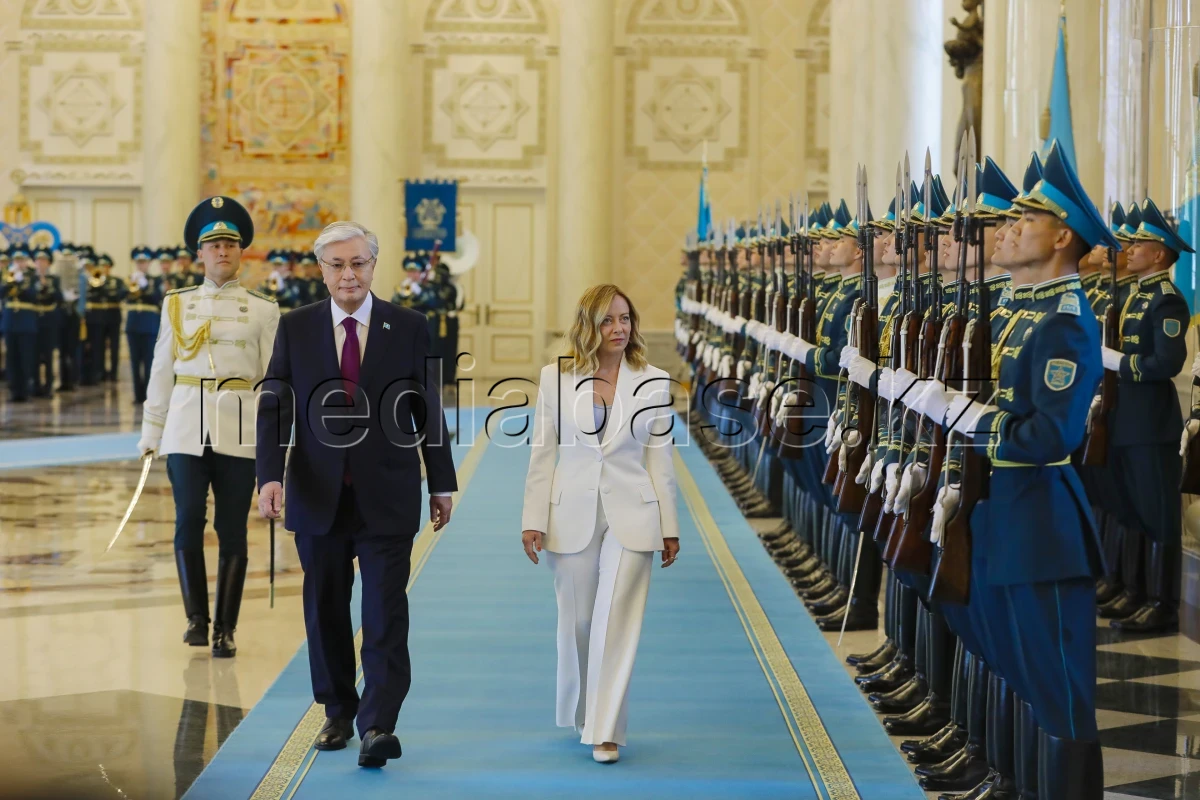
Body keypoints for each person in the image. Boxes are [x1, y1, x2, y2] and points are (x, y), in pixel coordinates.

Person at [256, 220, 458, 769]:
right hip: (316, 493)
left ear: (373, 265)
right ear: (321, 270)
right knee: (325, 609)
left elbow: (427, 408)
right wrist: (269, 475)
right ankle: (338, 711)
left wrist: (441, 481)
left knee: (385, 612)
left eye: (358, 263)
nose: (349, 274)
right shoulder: (296, 326)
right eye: (337, 264)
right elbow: (275, 404)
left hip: (387, 494)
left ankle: (378, 725)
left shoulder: (408, 326)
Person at [521, 283, 680, 764]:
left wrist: (669, 526)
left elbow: (661, 460)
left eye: (625, 318)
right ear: (587, 325)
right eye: (608, 319)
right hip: (570, 511)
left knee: (616, 618)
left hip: (634, 512)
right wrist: (532, 518)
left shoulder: (654, 381)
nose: (618, 328)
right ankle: (586, 710)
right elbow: (542, 454)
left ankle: (606, 728)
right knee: (582, 620)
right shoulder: (555, 378)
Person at [137, 196, 281, 659]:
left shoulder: (262, 309)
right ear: (199, 253)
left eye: (230, 244)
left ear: (241, 253)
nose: (222, 251)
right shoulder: (176, 304)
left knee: (232, 528)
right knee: (187, 522)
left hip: (238, 427)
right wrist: (151, 432)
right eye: (214, 245)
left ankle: (226, 628)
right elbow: (162, 369)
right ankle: (196, 619)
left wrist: (278, 442)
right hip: (184, 426)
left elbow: (273, 381)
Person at [125, 246, 163, 405]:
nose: (141, 265)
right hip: (133, 324)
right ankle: (137, 395)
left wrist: (145, 285)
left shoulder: (156, 280)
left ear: (149, 263)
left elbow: (157, 298)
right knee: (135, 362)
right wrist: (131, 284)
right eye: (139, 262)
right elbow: (122, 296)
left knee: (149, 362)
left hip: (149, 325)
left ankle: (148, 395)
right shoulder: (130, 279)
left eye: (144, 262)